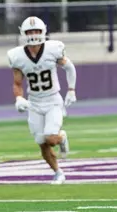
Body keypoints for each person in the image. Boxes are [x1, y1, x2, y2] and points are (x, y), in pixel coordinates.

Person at [8, 16, 77, 185]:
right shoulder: (17, 55)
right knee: (41, 142)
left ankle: (62, 137)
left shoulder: (53, 48)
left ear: (43, 31)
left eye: (36, 31)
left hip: (52, 100)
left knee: (51, 138)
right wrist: (18, 98)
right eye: (30, 31)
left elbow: (69, 67)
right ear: (24, 33)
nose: (33, 34)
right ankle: (58, 172)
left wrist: (71, 90)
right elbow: (17, 83)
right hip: (34, 102)